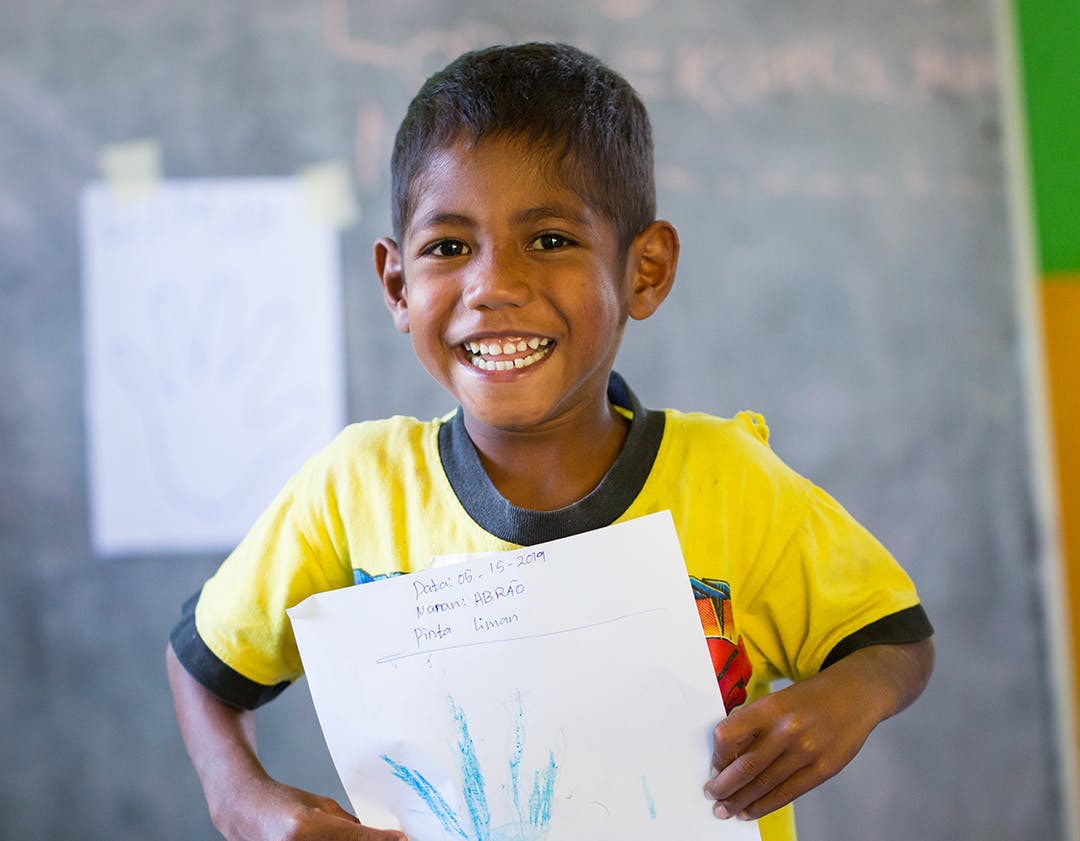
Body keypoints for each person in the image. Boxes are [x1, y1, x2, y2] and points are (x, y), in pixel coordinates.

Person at [166, 41, 934, 841]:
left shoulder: (730, 483)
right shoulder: (353, 493)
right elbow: (204, 671)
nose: (494, 284)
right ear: (397, 285)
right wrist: (241, 801)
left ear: (646, 270)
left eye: (551, 240)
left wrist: (851, 699)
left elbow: (895, 641)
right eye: (448, 246)